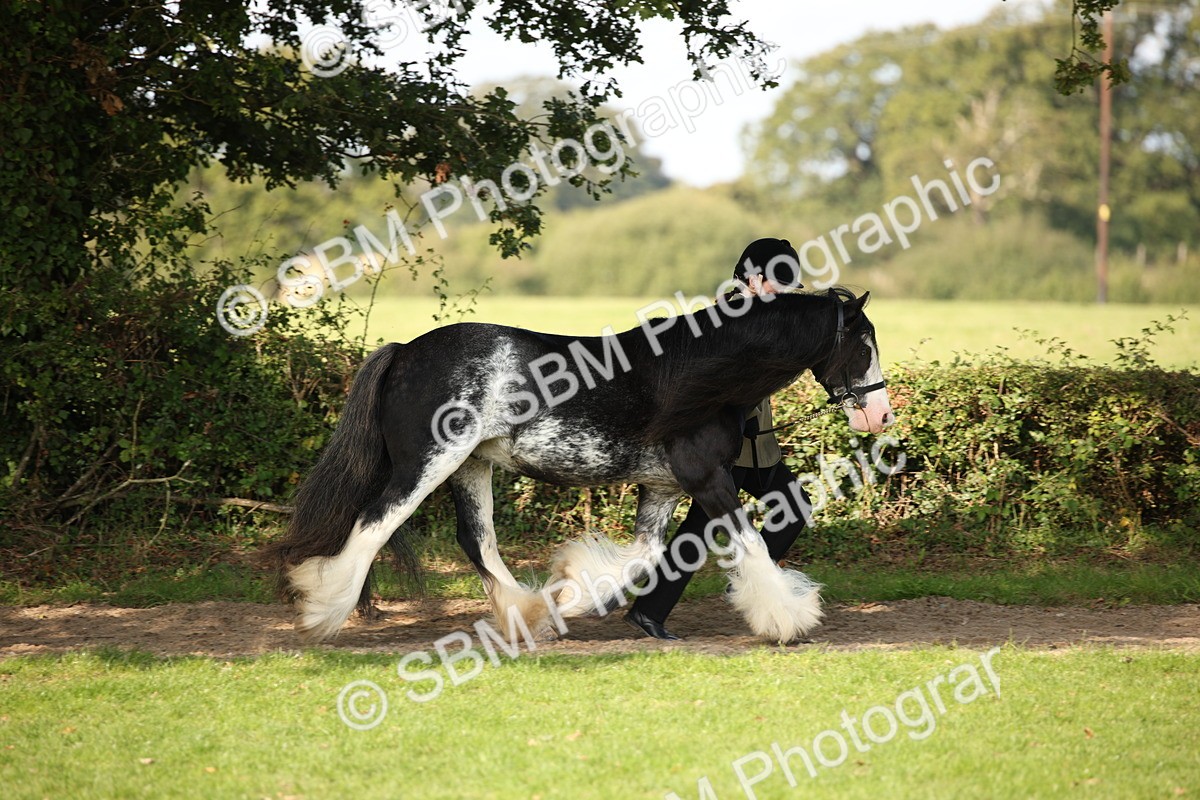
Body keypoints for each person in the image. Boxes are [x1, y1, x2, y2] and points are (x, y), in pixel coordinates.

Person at [624, 238, 815, 640]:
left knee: (792, 507)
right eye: (777, 286)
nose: (781, 296)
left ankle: (739, 582)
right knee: (699, 530)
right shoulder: (724, 319)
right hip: (725, 451)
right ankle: (651, 610)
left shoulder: (761, 319)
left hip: (760, 448)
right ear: (754, 278)